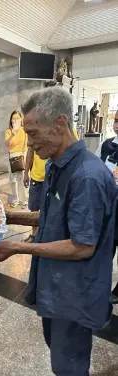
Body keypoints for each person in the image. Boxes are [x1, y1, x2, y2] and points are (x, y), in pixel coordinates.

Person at [0, 87, 117, 376]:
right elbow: (56, 217)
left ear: (60, 124)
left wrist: (17, 248)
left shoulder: (87, 177)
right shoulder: (58, 165)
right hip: (55, 286)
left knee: (68, 365)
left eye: (33, 133)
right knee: (58, 354)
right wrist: (10, 216)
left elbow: (82, 246)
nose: (29, 144)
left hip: (74, 294)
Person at [24, 128, 79, 243]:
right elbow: (30, 151)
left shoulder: (68, 131)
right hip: (37, 177)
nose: (30, 142)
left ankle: (50, 237)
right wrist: (26, 172)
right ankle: (35, 235)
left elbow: (82, 247)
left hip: (56, 179)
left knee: (55, 209)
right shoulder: (36, 132)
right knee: (35, 207)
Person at [96, 109, 118, 303]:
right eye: (116, 120)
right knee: (105, 247)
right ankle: (98, 284)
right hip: (107, 205)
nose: (117, 124)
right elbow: (96, 167)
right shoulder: (107, 145)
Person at [5, 110, 28, 209]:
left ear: (21, 119)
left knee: (23, 179)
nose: (15, 120)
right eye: (13, 118)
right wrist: (13, 134)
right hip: (12, 157)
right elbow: (7, 144)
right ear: (11, 120)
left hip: (22, 155)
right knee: (13, 180)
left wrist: (25, 158)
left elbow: (26, 145)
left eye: (17, 118)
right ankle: (15, 200)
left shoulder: (24, 130)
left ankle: (24, 200)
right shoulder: (8, 131)